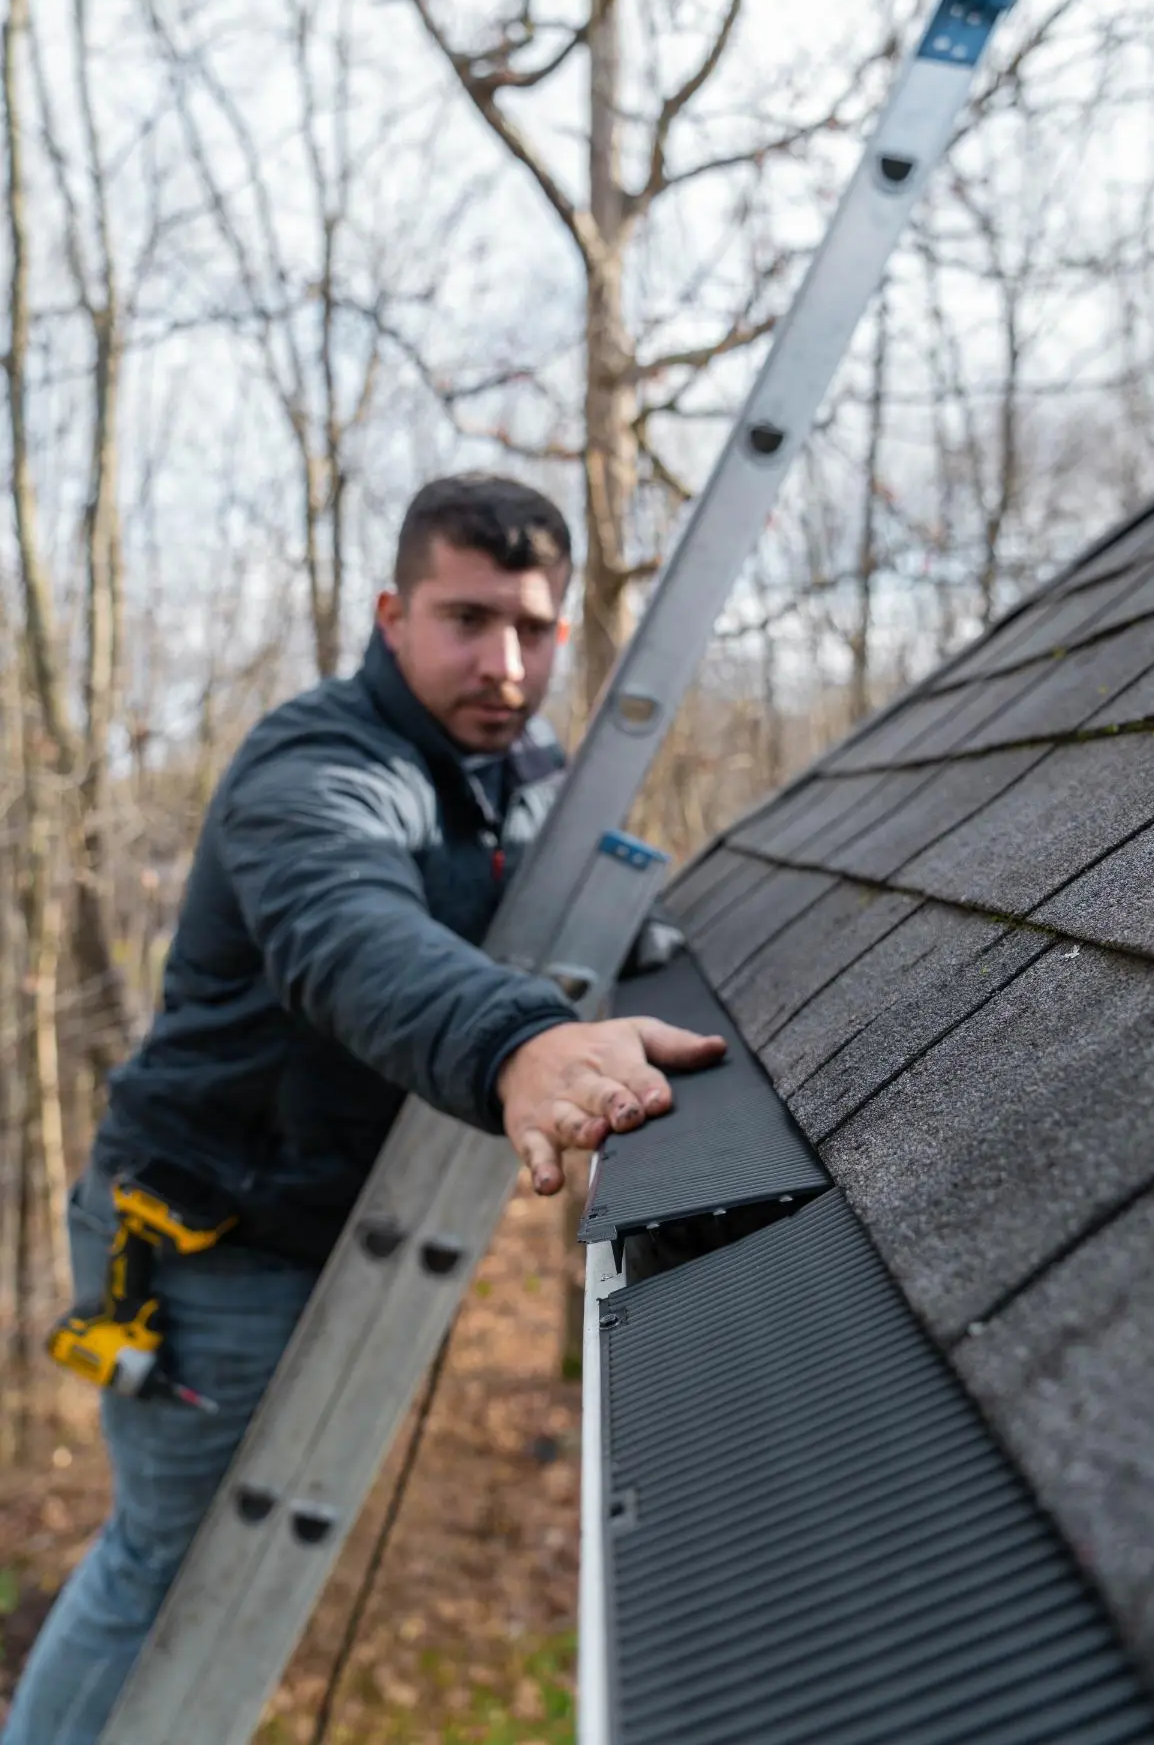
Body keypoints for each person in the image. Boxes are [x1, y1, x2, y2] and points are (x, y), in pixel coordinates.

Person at [2, 473, 725, 1745]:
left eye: (533, 629)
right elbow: (348, 929)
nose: (505, 663)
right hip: (206, 1245)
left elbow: (566, 901)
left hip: (323, 1229)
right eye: (466, 619)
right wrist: (520, 1041)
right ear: (391, 616)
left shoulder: (518, 774)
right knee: (160, 1574)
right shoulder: (321, 763)